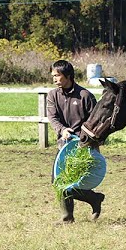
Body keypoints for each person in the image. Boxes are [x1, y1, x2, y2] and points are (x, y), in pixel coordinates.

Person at [47, 59, 105, 223]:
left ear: (68, 76)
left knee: (78, 182)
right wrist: (62, 130)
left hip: (83, 147)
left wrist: (89, 140)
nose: (55, 79)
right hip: (63, 146)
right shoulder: (52, 95)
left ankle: (93, 199)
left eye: (57, 76)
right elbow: (52, 117)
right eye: (53, 76)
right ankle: (69, 216)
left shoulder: (85, 96)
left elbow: (96, 121)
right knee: (58, 181)